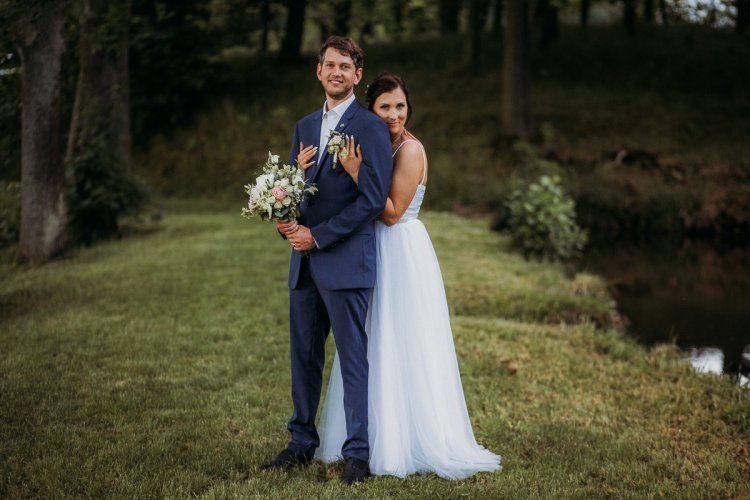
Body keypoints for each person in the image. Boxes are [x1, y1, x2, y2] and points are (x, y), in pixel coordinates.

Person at [307, 72, 502, 479]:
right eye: (385, 107)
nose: (394, 114)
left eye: (400, 106)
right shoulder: (376, 143)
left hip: (400, 250)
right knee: (369, 339)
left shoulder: (410, 151)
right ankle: (367, 435)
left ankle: (407, 438)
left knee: (401, 339)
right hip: (371, 246)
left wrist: (358, 172)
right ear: (371, 110)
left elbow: (392, 212)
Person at [262, 37, 392, 485]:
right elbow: (296, 190)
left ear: (358, 75)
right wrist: (285, 218)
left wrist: (318, 236)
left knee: (352, 358)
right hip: (305, 265)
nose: (336, 72)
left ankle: (357, 454)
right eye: (329, 65)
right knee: (304, 356)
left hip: (345, 259)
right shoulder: (302, 125)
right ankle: (301, 442)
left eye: (346, 66)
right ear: (318, 71)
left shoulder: (370, 127)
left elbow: (373, 199)